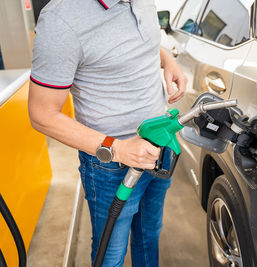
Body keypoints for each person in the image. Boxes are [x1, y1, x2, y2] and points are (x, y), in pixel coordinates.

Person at [27, 0, 187, 266]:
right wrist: (119, 149)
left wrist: (168, 61)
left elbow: (134, 46)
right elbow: (42, 114)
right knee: (111, 255)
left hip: (160, 145)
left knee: (149, 236)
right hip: (111, 163)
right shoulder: (61, 19)